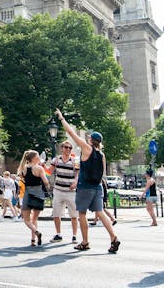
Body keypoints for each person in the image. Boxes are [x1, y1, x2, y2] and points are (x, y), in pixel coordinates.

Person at [56, 108, 119, 253]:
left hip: (85, 187)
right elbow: (102, 172)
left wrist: (61, 118)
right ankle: (114, 238)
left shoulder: (86, 148)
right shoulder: (101, 154)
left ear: (91, 139)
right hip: (98, 187)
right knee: (101, 213)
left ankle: (84, 242)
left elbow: (71, 132)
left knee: (82, 214)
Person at [47, 141, 80, 243]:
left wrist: (75, 182)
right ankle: (58, 234)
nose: (68, 149)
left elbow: (78, 174)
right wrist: (42, 167)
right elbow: (49, 172)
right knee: (57, 214)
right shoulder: (56, 160)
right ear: (62, 148)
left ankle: (74, 236)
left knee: (74, 215)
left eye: (70, 148)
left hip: (71, 191)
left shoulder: (75, 161)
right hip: (58, 190)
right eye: (66, 147)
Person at [18, 150, 49, 246]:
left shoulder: (23, 168)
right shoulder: (39, 168)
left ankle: (35, 234)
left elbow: (22, 179)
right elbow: (46, 182)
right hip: (38, 193)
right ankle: (33, 240)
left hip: (28, 193)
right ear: (34, 158)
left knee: (27, 220)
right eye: (38, 156)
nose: (39, 157)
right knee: (34, 218)